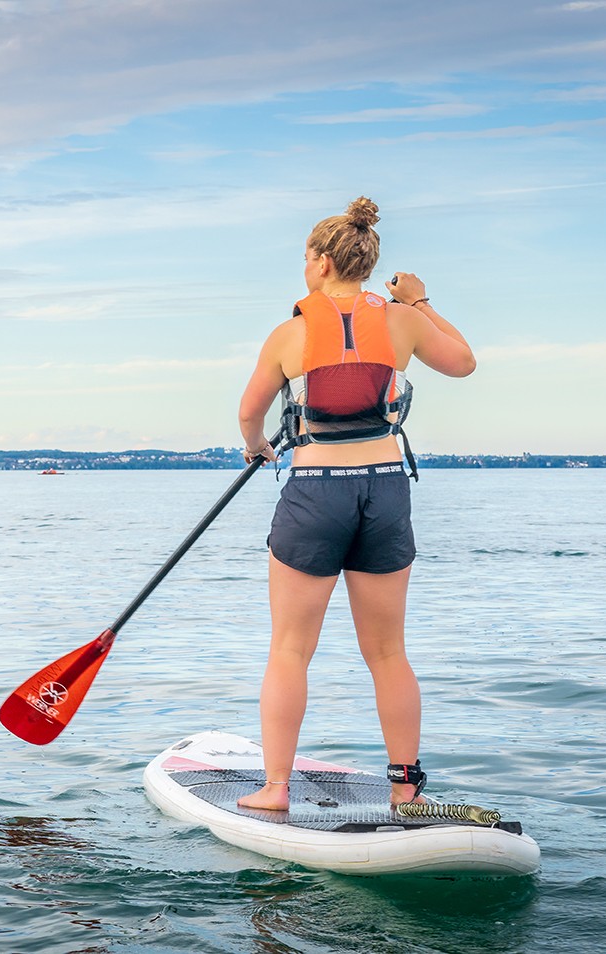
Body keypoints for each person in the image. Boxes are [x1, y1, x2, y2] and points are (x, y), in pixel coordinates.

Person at [235, 197, 476, 812]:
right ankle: (404, 789)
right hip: (385, 491)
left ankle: (276, 789)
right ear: (366, 265)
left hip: (316, 492)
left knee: (290, 648)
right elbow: (464, 363)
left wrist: (257, 447)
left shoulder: (289, 333)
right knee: (389, 651)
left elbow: (248, 412)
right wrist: (418, 300)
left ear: (318, 264)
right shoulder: (402, 322)